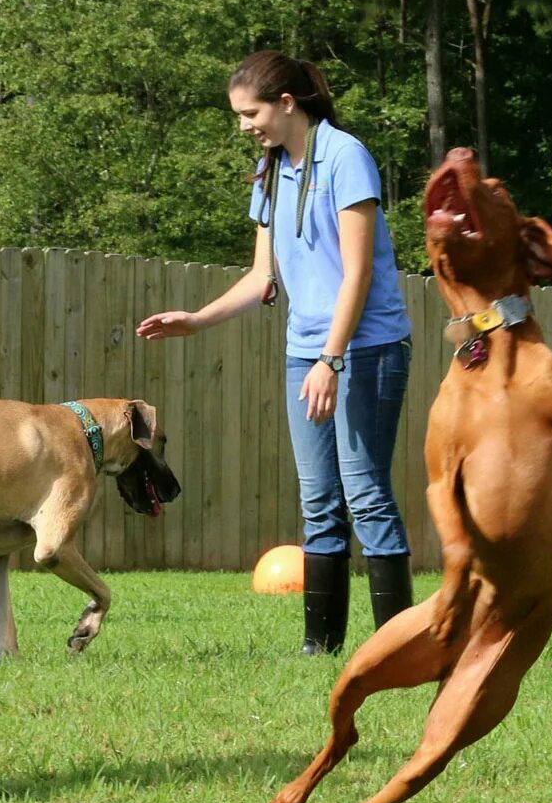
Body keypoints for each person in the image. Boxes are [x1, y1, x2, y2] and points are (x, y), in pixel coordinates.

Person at [138, 51, 415, 655]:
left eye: (250, 113)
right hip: (306, 354)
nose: (244, 126)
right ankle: (321, 648)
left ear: (287, 103)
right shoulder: (271, 171)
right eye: (238, 115)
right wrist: (197, 320)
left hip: (365, 351)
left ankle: (400, 645)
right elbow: (263, 276)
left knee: (365, 495)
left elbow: (357, 274)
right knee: (319, 500)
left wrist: (332, 360)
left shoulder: (346, 157)